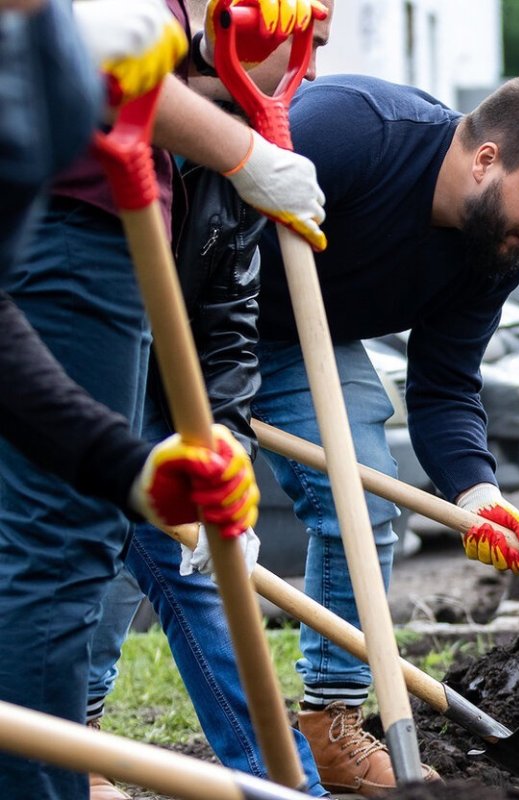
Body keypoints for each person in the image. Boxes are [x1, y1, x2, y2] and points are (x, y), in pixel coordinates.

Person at [0, 1, 325, 796]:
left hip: (89, 271)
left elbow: (227, 340)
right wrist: (249, 152)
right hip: (83, 230)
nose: (309, 35)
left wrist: (131, 470)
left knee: (72, 541)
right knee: (61, 553)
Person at [249, 73, 519, 796]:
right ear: (486, 160)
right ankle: (77, 734)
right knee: (118, 517)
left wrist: (478, 493)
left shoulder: (492, 250)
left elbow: (443, 386)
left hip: (296, 342)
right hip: (185, 307)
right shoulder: (354, 130)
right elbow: (201, 221)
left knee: (364, 504)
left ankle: (333, 720)